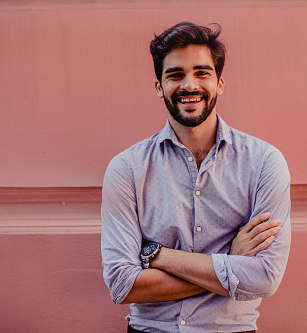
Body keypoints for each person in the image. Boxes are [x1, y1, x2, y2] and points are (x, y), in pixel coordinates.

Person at [101, 21, 291, 333]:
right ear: (159, 86)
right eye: (175, 75)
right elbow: (121, 285)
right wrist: (229, 261)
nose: (190, 85)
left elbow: (265, 277)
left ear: (220, 83)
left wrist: (157, 256)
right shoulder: (127, 168)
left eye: (202, 73)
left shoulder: (264, 163)